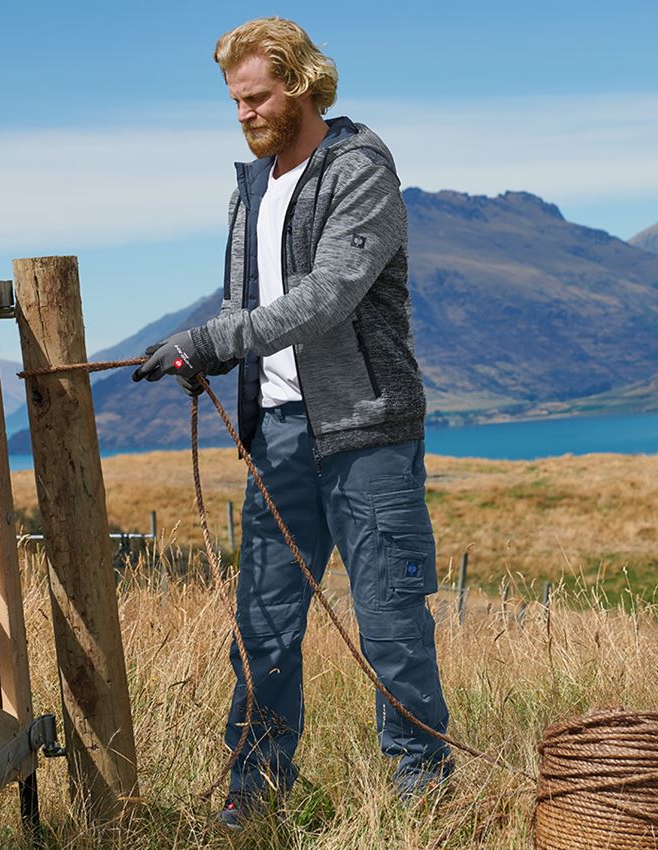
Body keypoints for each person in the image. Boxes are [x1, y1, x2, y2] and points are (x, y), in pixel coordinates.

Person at [132, 16, 452, 826]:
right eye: (235, 101)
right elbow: (248, 308)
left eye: (256, 97)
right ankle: (255, 797)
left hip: (366, 433)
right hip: (276, 435)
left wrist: (211, 338)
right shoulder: (251, 187)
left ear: (303, 81)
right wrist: (207, 353)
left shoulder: (359, 165)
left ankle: (423, 802)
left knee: (390, 625)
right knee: (263, 629)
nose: (243, 113)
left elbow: (328, 296)